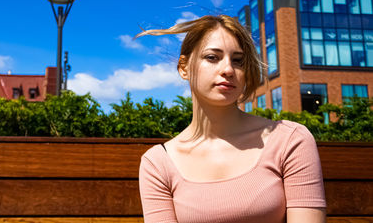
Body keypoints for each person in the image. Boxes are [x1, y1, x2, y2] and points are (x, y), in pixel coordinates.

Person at [137, 15, 326, 223]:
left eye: (238, 61)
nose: (228, 69)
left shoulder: (289, 140)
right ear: (184, 67)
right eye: (212, 57)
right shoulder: (158, 163)